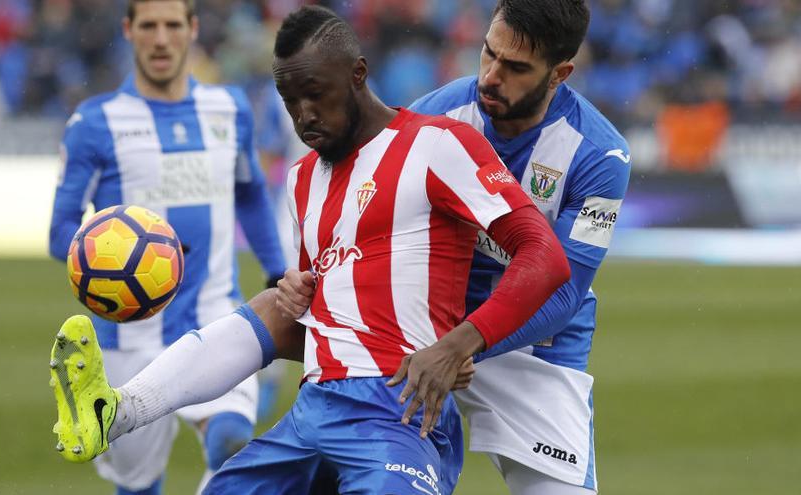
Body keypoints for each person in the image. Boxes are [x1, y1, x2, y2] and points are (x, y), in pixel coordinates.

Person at [48, 5, 569, 495]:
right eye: (289, 100)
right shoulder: (302, 181)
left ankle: (120, 411)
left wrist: (460, 344)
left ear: (358, 75)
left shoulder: (437, 144)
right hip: (313, 411)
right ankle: (116, 412)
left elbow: (543, 255)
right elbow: (337, 316)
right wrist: (305, 295)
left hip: (398, 411)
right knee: (273, 310)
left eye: (316, 94)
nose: (303, 115)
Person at [47, 1, 285, 494]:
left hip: (215, 317)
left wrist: (275, 270)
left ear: (192, 29)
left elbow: (251, 195)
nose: (161, 39)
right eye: (149, 26)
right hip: (127, 337)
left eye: (173, 25)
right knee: (138, 485)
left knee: (232, 445)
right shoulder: (95, 122)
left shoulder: (230, 109)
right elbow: (60, 229)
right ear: (128, 31)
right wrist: (99, 260)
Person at [405, 1, 632, 493]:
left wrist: (463, 345)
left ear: (560, 73)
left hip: (533, 347)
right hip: (425, 330)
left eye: (515, 68)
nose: (490, 76)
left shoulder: (601, 156)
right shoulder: (430, 119)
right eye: (488, 54)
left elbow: (564, 293)